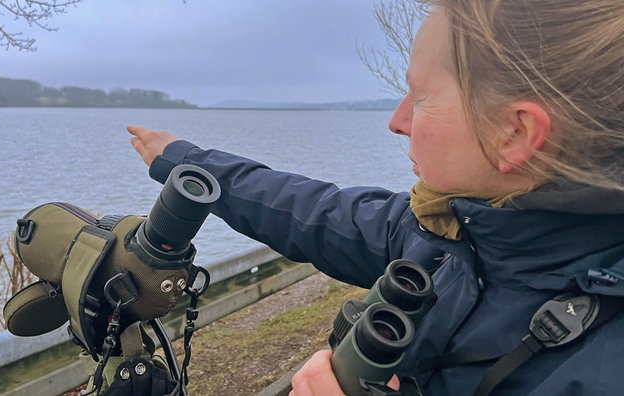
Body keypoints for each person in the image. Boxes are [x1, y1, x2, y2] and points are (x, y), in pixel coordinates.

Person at [127, 0, 624, 394]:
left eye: (420, 96)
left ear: (513, 133)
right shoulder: (452, 231)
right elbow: (314, 212)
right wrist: (185, 162)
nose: (397, 121)